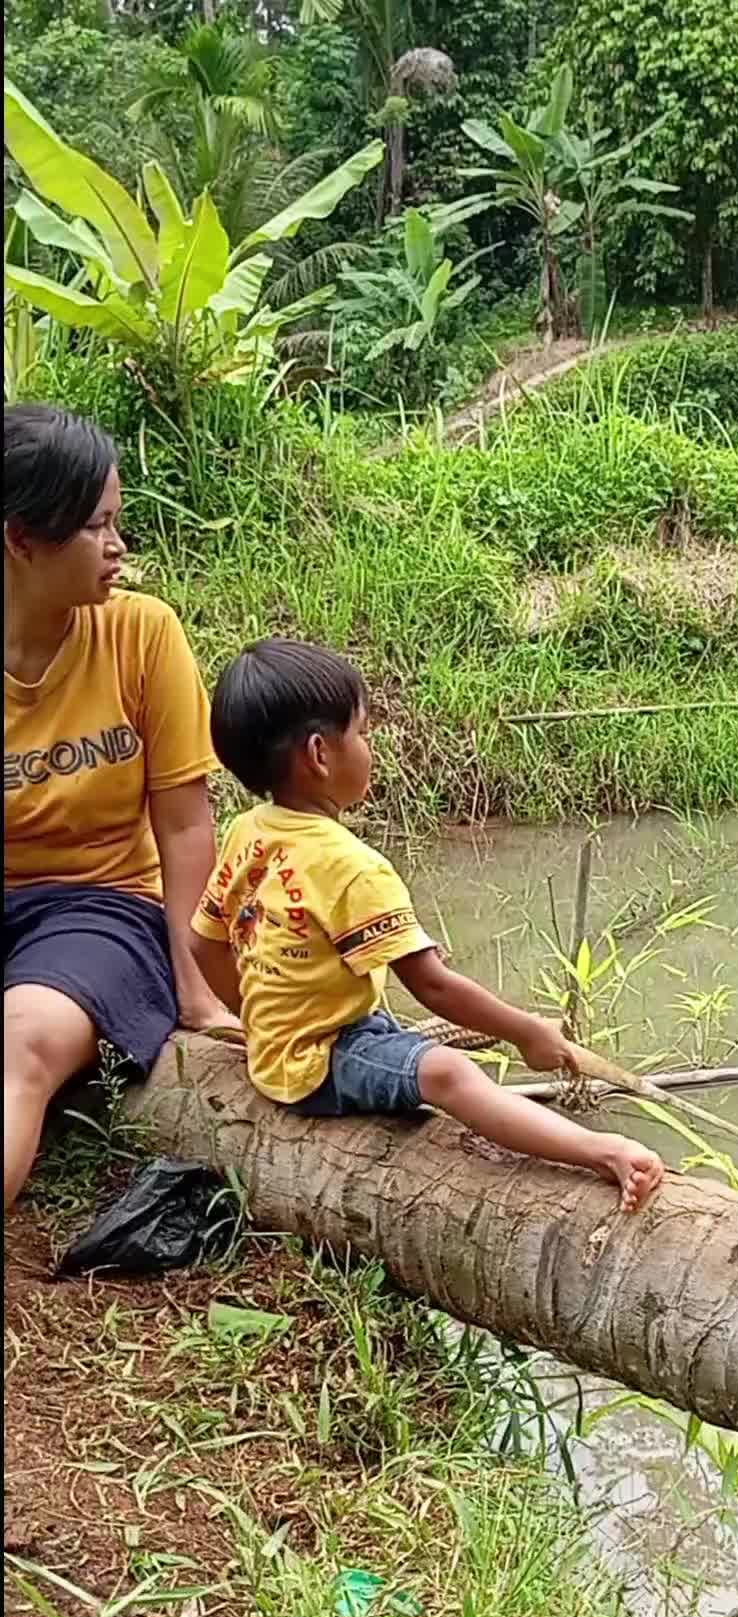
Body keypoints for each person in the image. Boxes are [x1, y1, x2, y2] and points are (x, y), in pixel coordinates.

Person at [191, 637, 664, 1214]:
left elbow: (203, 941)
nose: (371, 748)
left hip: (287, 1044)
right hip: (317, 1061)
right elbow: (433, 985)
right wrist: (525, 1033)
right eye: (362, 733)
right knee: (447, 1072)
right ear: (320, 754)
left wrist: (260, 1020)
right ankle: (602, 1153)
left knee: (406, 1043)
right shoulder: (352, 867)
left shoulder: (248, 830)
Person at [3, 404, 240, 1210]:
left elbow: (184, 823)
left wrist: (199, 987)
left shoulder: (142, 635)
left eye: (118, 523)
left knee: (23, 1043)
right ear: (22, 539)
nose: (119, 548)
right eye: (97, 527)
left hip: (98, 908)